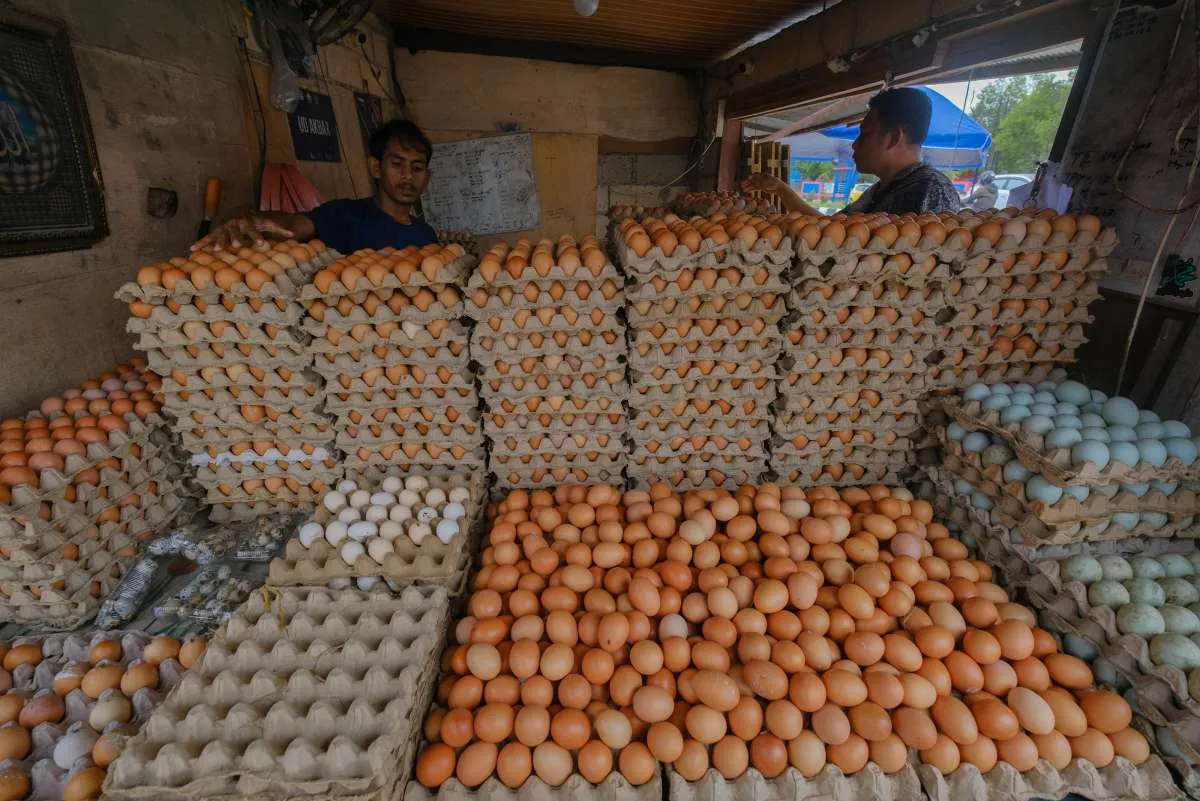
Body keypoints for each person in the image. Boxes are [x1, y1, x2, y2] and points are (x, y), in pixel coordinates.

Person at [194, 119, 437, 253]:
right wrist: (245, 219)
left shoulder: (426, 236)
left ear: (426, 176)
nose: (407, 176)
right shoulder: (344, 216)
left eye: (417, 168)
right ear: (375, 167)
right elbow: (291, 226)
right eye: (397, 164)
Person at [742, 87, 961, 216]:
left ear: (894, 138)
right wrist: (781, 189)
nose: (855, 145)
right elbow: (829, 230)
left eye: (864, 133)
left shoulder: (932, 191)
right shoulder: (879, 191)